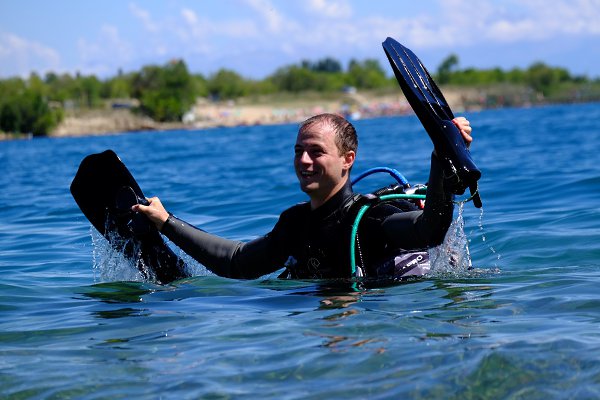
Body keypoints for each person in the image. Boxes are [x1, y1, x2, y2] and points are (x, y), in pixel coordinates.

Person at [133, 113, 473, 281]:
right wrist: (166, 222)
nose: (304, 161)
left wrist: (440, 161)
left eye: (316, 152)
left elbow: (429, 230)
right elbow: (236, 261)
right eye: (299, 151)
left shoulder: (369, 218)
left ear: (348, 159)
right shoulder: (295, 224)